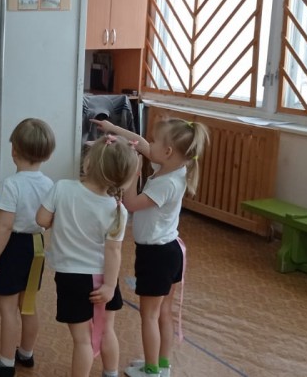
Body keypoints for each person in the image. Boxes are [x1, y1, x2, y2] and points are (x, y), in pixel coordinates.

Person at [93, 118, 209, 377]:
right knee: (163, 313)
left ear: (167, 151)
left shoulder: (167, 183)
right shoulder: (171, 167)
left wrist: (133, 174)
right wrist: (113, 128)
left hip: (156, 256)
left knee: (149, 316)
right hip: (169, 252)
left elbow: (131, 203)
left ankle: (151, 369)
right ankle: (162, 365)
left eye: (156, 141)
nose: (150, 144)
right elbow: (142, 144)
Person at [36, 134, 140, 377]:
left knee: (82, 339)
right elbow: (113, 251)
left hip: (70, 277)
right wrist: (110, 286)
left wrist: (59, 220)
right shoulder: (117, 210)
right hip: (102, 277)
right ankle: (111, 373)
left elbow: (41, 219)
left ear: (88, 163)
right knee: (106, 330)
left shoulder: (62, 187)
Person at [0, 119, 56, 376]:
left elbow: (4, 227)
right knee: (28, 305)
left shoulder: (11, 184)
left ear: (14, 150)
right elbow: (49, 221)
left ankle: (6, 361)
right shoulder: (49, 184)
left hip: (13, 248)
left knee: (8, 309)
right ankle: (26, 353)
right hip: (37, 247)